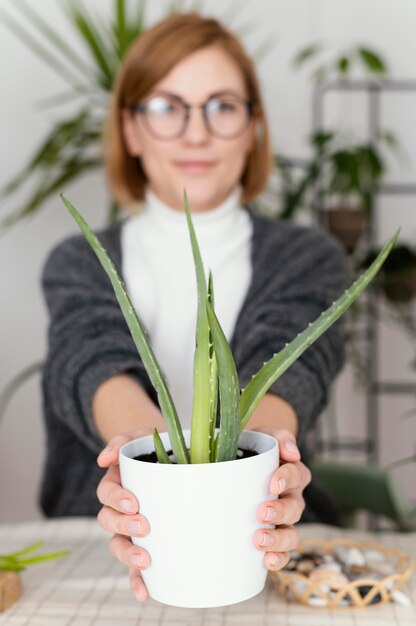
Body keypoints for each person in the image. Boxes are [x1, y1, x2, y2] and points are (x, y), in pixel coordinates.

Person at [40, 13, 347, 603]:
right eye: (165, 106)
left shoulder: (308, 257)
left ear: (254, 125)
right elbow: (90, 360)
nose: (196, 133)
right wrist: (151, 474)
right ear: (129, 129)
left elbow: (293, 370)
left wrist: (259, 470)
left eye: (222, 106)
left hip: (264, 548)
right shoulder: (78, 261)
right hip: (107, 550)